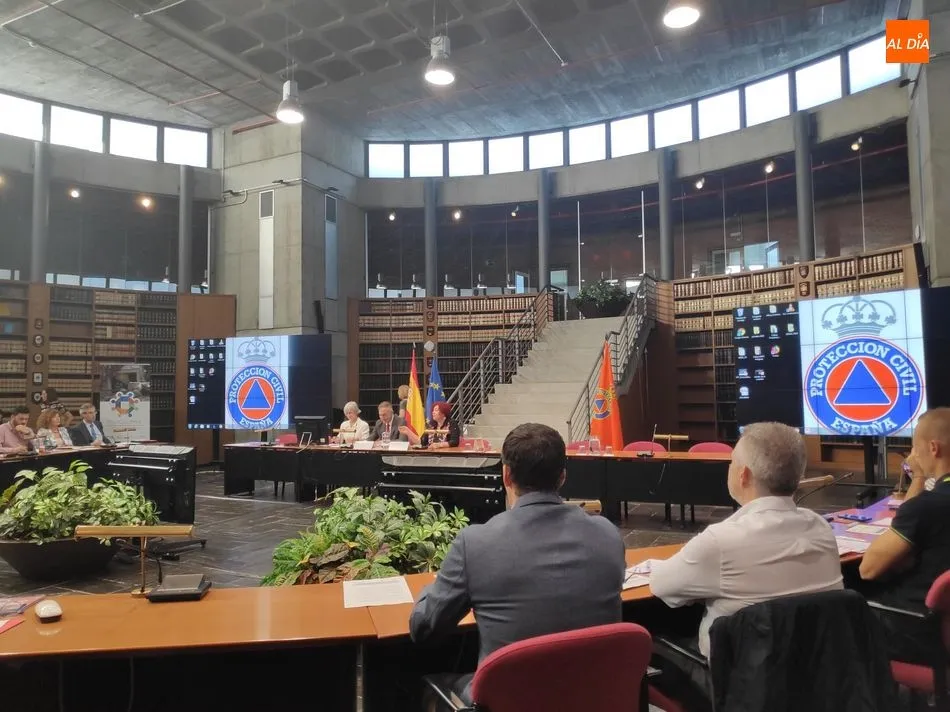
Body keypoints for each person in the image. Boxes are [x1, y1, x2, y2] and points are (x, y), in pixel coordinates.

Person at [410, 423, 625, 706]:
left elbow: (424, 628)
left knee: (416, 682)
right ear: (562, 477)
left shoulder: (475, 543)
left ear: (506, 475)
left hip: (510, 700)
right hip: (594, 698)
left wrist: (429, 588)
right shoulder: (608, 534)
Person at [648, 422, 843, 711]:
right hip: (813, 675)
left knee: (647, 634)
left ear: (744, 475)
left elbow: (660, 586)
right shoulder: (821, 529)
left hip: (738, 684)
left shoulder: (720, 542)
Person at [860, 407, 950, 664]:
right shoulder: (925, 507)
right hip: (942, 621)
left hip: (918, 625)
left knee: (847, 600)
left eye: (914, 447)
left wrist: (918, 476)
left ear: (933, 448)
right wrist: (919, 477)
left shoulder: (928, 506)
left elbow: (869, 569)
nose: (913, 455)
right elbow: (912, 518)